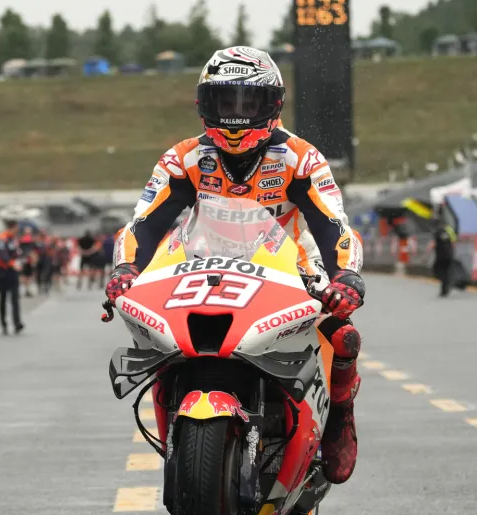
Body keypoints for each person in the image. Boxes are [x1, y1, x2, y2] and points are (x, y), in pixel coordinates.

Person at [105, 46, 365, 485]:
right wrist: (126, 270)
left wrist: (345, 276)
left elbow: (332, 222)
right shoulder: (182, 158)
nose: (237, 115)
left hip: (290, 267)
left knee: (342, 335)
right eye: (226, 102)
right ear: (205, 105)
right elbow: (144, 223)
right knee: (160, 335)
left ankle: (340, 416)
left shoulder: (302, 157)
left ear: (273, 106)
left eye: (249, 103)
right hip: (200, 264)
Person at [0, 219, 25, 335]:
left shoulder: (14, 239)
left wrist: (21, 261)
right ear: (13, 226)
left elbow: (18, 253)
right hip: (3, 272)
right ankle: (3, 324)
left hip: (13, 273)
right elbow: (2, 254)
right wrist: (12, 264)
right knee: (2, 298)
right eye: (17, 227)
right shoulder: (3, 238)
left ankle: (17, 323)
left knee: (15, 299)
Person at [430, 219, 457, 297]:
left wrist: (428, 249)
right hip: (449, 255)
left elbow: (433, 243)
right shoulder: (449, 230)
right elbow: (453, 242)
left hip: (440, 256)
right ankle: (445, 288)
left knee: (437, 270)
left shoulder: (437, 231)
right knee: (446, 271)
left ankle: (444, 287)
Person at [19, 226, 37, 297]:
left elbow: (33, 251)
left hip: (27, 260)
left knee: (27, 275)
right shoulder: (26, 240)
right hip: (26, 259)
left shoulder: (23, 239)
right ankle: (26, 289)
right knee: (25, 275)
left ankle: (27, 289)